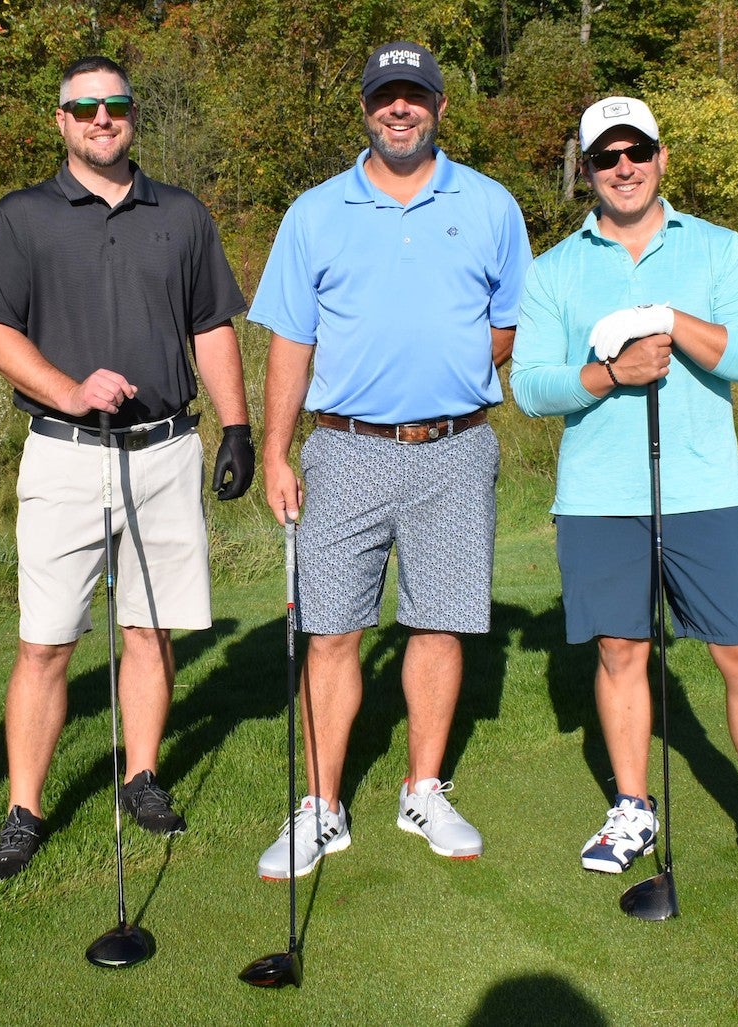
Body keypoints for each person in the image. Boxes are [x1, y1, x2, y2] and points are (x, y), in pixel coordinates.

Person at [510, 96, 738, 898]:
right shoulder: (553, 269)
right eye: (607, 156)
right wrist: (613, 372)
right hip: (599, 497)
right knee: (622, 651)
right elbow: (533, 387)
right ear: (586, 170)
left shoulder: (717, 250)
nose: (624, 166)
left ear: (662, 157)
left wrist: (672, 321)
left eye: (637, 150)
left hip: (704, 489)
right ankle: (633, 807)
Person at [0, 55, 253, 883]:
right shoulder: (22, 217)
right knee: (46, 642)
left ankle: (141, 776)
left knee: (149, 629)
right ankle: (25, 807)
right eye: (82, 108)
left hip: (166, 451)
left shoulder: (182, 214)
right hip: (65, 454)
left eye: (114, 105)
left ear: (132, 115)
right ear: (60, 121)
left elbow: (212, 326)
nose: (99, 119)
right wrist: (69, 389)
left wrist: (236, 426)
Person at [248, 41, 532, 879]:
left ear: (441, 106)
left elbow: (508, 320)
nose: (398, 110)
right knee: (332, 628)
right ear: (366, 109)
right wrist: (275, 447)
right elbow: (290, 341)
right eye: (384, 98)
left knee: (439, 621)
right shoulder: (315, 212)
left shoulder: (489, 204)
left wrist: (448, 373)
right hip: (344, 447)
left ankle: (423, 789)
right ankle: (322, 806)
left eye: (414, 96)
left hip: (454, 447)